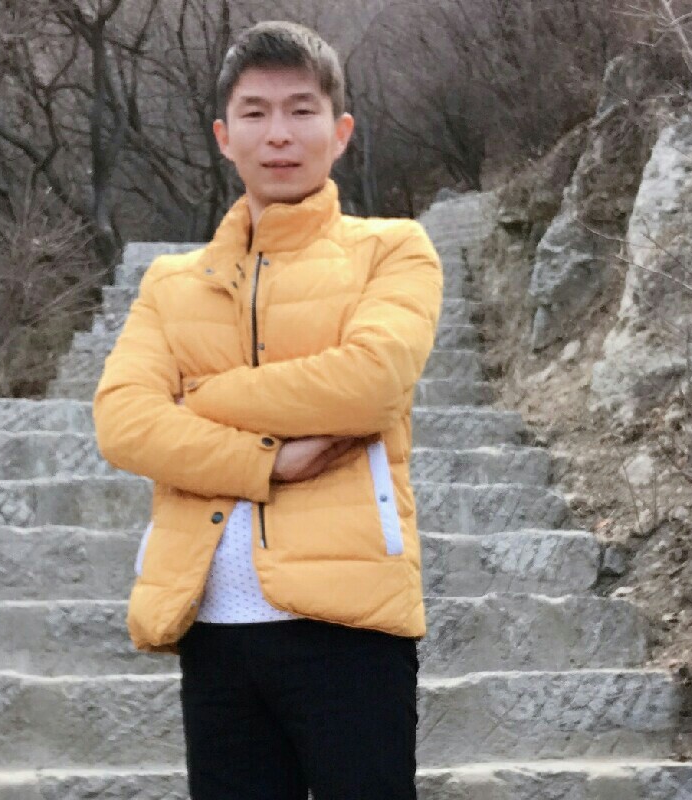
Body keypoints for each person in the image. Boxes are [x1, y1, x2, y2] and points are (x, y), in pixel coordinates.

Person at [93, 19, 442, 800]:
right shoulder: (171, 285)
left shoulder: (392, 249)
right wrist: (268, 461)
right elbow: (123, 422)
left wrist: (203, 397)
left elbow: (372, 383)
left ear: (340, 131)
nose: (278, 134)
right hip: (213, 630)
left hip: (350, 625)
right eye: (254, 113)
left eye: (301, 110)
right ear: (224, 136)